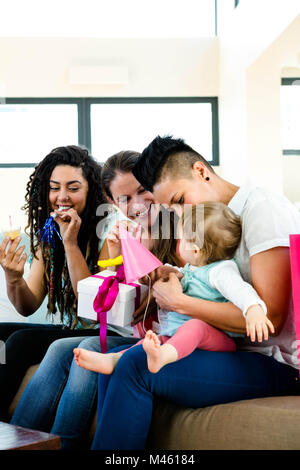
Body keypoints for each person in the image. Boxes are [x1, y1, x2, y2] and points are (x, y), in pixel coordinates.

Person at [91, 135, 300, 450]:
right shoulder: (208, 222)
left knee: (134, 366)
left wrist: (181, 302)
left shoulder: (262, 209)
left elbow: (270, 316)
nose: (178, 214)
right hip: (230, 350)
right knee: (113, 364)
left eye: (178, 200)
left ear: (202, 171)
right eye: (169, 209)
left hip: (275, 362)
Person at [11, 150, 181, 449]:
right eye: (124, 199)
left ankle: (65, 445)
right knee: (56, 347)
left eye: (142, 191)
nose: (137, 204)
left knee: (87, 345)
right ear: (113, 202)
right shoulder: (124, 233)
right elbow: (101, 302)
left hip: (166, 338)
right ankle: (19, 441)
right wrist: (115, 260)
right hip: (130, 331)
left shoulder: (179, 229)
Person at [74, 202, 274, 375]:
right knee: (150, 341)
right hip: (177, 336)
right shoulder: (193, 269)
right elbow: (174, 272)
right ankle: (114, 360)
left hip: (218, 340)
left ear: (195, 249)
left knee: (194, 327)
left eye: (182, 240)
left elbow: (241, 291)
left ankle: (162, 357)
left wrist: (254, 310)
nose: (179, 244)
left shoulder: (221, 271)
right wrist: (157, 272)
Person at [0, 145, 108, 420]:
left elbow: (93, 308)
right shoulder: (49, 232)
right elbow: (28, 305)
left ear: (91, 190)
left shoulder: (108, 231)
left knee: (23, 341)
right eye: (54, 187)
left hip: (105, 332)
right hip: (70, 328)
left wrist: (70, 244)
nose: (62, 197)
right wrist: (13, 276)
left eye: (73, 188)